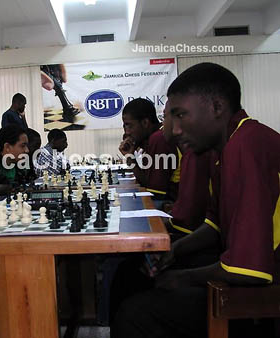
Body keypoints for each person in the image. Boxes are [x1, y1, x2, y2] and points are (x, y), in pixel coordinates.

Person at [111, 63, 280, 338]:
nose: (174, 129)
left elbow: (249, 270)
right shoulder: (222, 149)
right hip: (249, 276)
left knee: (136, 314)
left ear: (216, 107)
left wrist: (181, 277)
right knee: (135, 278)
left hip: (262, 296)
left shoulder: (246, 145)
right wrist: (174, 252)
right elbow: (215, 226)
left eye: (180, 115)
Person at [162, 101, 218, 238]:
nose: (163, 124)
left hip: (200, 239)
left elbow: (188, 218)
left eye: (164, 117)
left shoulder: (196, 154)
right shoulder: (190, 152)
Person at [119, 98, 178, 201]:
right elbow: (147, 182)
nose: (126, 132)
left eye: (129, 125)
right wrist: (130, 157)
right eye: (124, 126)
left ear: (145, 123)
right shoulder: (151, 140)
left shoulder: (159, 138)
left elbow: (155, 192)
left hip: (173, 206)